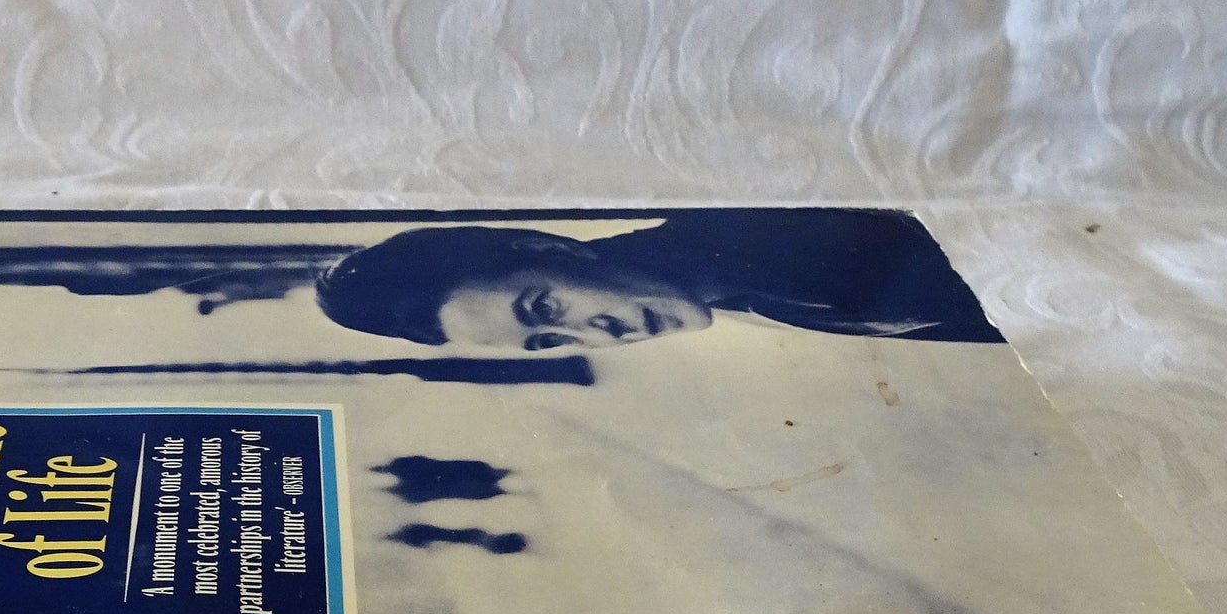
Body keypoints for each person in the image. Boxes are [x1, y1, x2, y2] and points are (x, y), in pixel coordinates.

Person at [314, 209, 1005, 350]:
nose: (596, 334)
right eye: (549, 341)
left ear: (549, 247)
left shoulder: (786, 231)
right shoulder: (759, 299)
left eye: (544, 307)